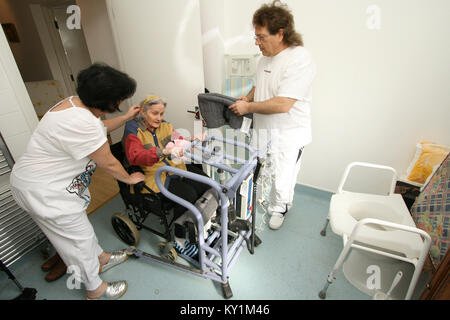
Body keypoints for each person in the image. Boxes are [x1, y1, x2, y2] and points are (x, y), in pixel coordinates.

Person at [10, 63, 145, 300]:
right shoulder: (84, 122)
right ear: (107, 101)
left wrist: (125, 118)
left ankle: (101, 258)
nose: (120, 104)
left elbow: (99, 128)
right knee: (77, 242)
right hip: (45, 192)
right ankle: (96, 289)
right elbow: (109, 162)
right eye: (119, 101)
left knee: (78, 231)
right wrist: (129, 177)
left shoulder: (74, 103)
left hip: (34, 183)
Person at [228, 1, 316, 230]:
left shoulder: (299, 59)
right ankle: (262, 201)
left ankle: (280, 207)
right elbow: (259, 86)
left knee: (283, 177)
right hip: (263, 130)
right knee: (261, 169)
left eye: (261, 37)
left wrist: (248, 108)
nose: (257, 43)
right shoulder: (264, 58)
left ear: (280, 33)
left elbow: (284, 103)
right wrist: (247, 98)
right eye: (255, 37)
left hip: (289, 135)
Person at [123, 95, 211, 254]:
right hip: (153, 174)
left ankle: (200, 224)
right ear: (143, 112)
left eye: (161, 114)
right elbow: (135, 156)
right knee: (188, 195)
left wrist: (193, 139)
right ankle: (180, 237)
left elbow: (180, 142)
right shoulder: (133, 129)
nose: (159, 118)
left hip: (174, 166)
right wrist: (163, 151)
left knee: (206, 183)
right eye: (154, 113)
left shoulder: (165, 126)